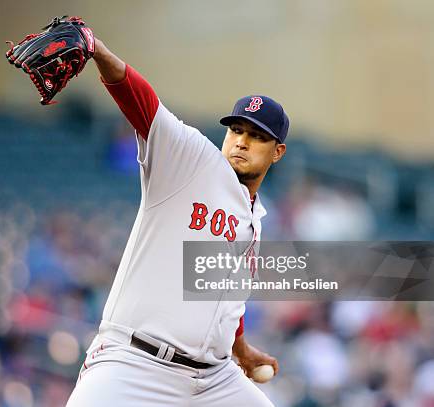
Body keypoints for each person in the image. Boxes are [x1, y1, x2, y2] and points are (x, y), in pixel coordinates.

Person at [67, 35, 289, 407]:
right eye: (236, 130)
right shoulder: (193, 162)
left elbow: (226, 301)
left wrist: (242, 350)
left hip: (214, 379)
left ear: (277, 152)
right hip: (136, 363)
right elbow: (143, 106)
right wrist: (98, 51)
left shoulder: (254, 218)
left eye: (256, 136)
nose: (241, 141)